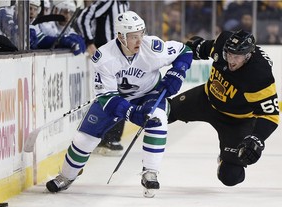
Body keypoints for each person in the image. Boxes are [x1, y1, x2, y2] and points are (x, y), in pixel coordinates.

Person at [46, 11, 193, 197]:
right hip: (116, 99)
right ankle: (66, 176)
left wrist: (178, 72)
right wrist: (131, 113)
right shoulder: (104, 57)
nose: (139, 41)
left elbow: (185, 51)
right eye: (133, 37)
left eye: (141, 34)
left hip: (149, 93)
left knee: (158, 119)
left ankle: (150, 172)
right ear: (120, 37)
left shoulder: (154, 48)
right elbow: (107, 98)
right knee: (83, 140)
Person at [168, 29, 280, 186]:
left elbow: (270, 115)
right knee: (164, 113)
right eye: (229, 54)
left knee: (231, 176)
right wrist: (194, 47)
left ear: (248, 55)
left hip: (236, 121)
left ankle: (225, 159)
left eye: (237, 57)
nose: (231, 61)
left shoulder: (259, 74)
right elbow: (206, 48)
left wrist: (256, 138)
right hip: (205, 99)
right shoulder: (224, 43)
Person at [76, 0, 130, 156]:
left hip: (120, 58)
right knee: (112, 96)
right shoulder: (110, 2)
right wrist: (90, 42)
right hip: (107, 57)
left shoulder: (124, 4)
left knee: (121, 94)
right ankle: (107, 138)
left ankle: (109, 138)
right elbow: (85, 16)